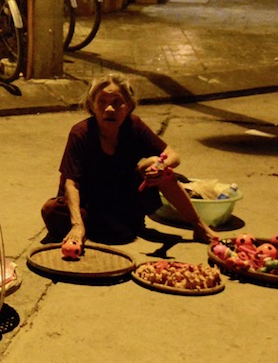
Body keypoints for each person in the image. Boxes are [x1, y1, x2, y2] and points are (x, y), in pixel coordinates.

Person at [41, 73, 219, 247]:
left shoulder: (134, 126)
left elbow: (173, 155)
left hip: (122, 198)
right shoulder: (81, 133)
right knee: (52, 211)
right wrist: (77, 225)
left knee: (158, 168)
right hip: (90, 203)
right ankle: (95, 227)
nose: (109, 109)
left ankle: (199, 227)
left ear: (128, 106)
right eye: (102, 102)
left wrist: (160, 166)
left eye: (117, 103)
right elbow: (71, 184)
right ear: (92, 105)